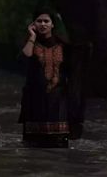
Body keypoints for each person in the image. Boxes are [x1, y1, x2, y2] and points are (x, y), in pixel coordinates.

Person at [19, 8, 79, 148]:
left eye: (46, 21)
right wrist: (32, 37)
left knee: (59, 146)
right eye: (39, 21)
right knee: (33, 146)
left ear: (52, 24)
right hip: (34, 99)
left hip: (58, 100)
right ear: (33, 24)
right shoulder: (31, 44)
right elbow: (23, 60)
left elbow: (73, 71)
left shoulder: (62, 45)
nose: (43, 24)